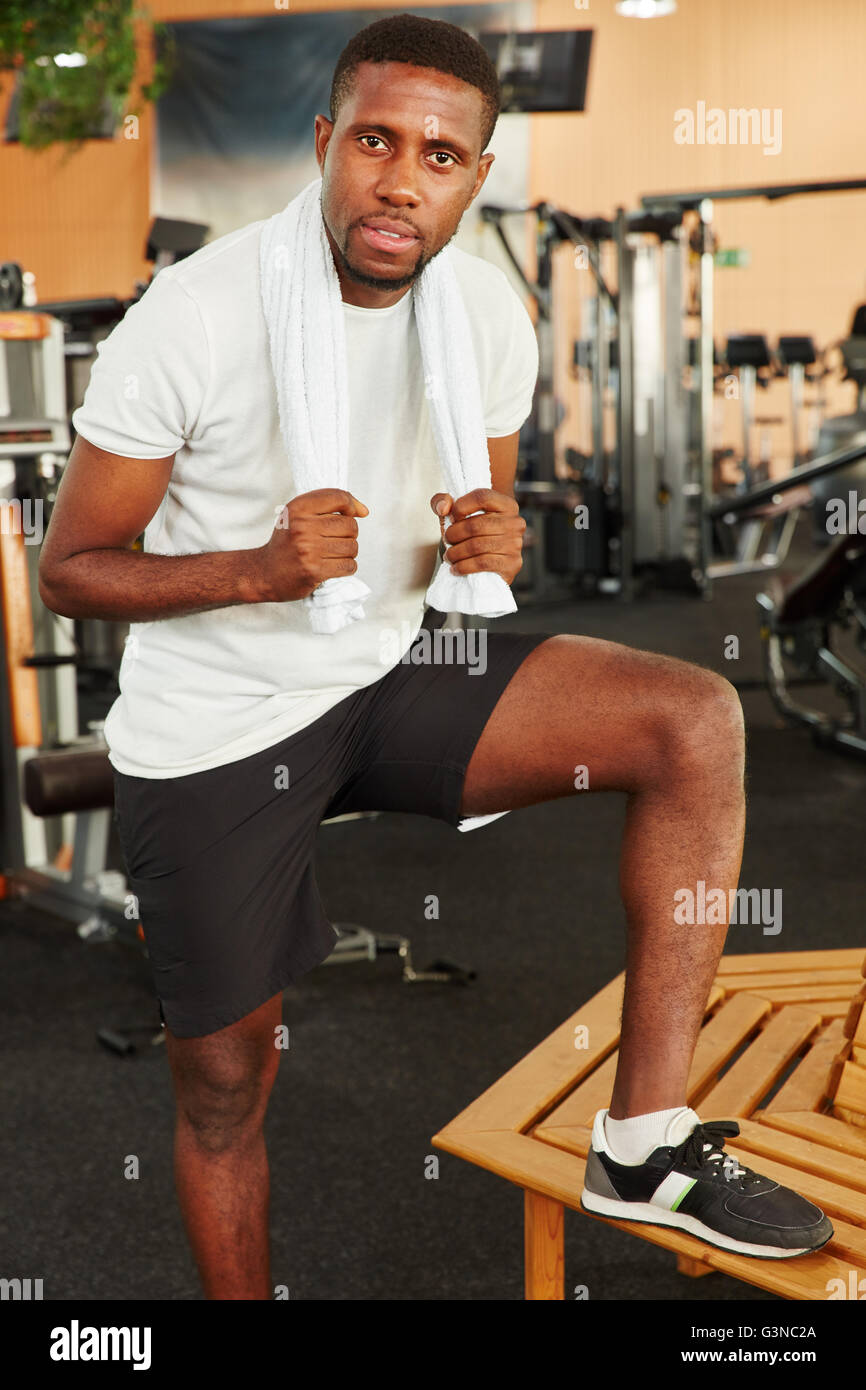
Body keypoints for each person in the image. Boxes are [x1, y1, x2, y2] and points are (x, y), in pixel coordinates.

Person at [38, 13, 832, 1300]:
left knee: (693, 717)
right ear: (324, 143)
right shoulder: (193, 313)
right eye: (373, 140)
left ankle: (641, 1141)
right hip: (220, 720)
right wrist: (258, 567)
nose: (400, 179)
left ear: (473, 172)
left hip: (386, 670)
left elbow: (475, 526)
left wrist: (500, 530)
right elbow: (71, 565)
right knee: (229, 1082)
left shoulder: (484, 318)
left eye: (440, 154)